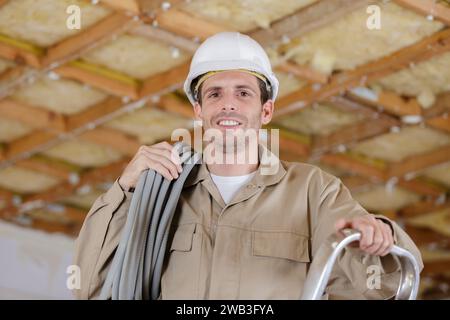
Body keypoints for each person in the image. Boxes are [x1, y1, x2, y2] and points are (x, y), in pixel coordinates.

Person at [73, 32, 423, 300]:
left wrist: (378, 235)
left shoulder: (313, 191)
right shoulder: (163, 190)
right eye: (214, 94)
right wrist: (125, 188)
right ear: (198, 110)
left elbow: (386, 286)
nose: (228, 105)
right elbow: (89, 286)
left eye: (243, 93)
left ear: (265, 111)